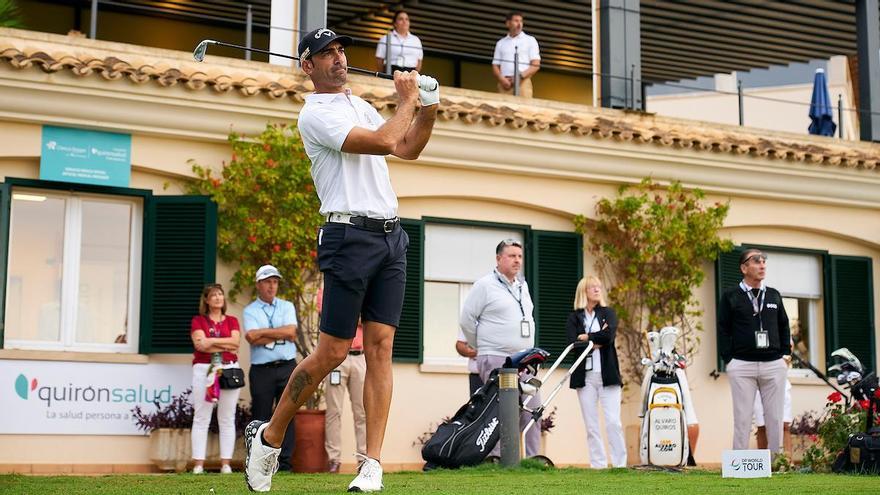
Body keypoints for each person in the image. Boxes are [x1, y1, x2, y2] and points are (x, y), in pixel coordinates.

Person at [243, 27, 438, 493]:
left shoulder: (360, 105)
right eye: (326, 53)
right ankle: (269, 438)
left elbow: (408, 147)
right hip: (347, 236)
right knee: (332, 352)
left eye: (340, 50)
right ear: (307, 66)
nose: (338, 58)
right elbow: (385, 140)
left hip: (390, 236)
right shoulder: (314, 114)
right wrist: (407, 99)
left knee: (381, 348)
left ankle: (371, 464)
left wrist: (428, 107)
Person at [459, 238, 541, 457]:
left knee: (532, 407)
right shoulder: (485, 285)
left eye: (520, 256)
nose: (517, 260)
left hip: (524, 360)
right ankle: (495, 458)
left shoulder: (522, 286)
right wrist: (480, 346)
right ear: (498, 259)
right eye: (512, 256)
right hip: (496, 357)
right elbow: (467, 320)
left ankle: (533, 459)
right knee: (498, 410)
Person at [718, 248, 791, 454]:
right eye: (756, 260)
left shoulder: (774, 295)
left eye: (764, 260)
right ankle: (739, 463)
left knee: (775, 417)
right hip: (742, 364)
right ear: (744, 268)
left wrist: (785, 355)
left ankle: (777, 462)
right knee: (742, 418)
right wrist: (729, 359)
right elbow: (723, 328)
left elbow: (784, 325)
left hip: (773, 364)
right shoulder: (731, 296)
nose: (762, 264)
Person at [565, 276, 626, 468]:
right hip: (585, 378)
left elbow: (609, 336)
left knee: (613, 422)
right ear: (584, 291)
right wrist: (595, 340)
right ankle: (598, 464)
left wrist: (587, 338)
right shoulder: (574, 317)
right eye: (593, 287)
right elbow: (573, 342)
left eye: (599, 286)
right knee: (591, 425)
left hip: (608, 375)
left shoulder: (608, 313)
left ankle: (619, 464)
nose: (597, 290)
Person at [243, 265, 299, 472]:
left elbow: (291, 332)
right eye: (267, 282)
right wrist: (279, 332)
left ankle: (285, 463)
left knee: (287, 414)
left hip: (287, 367)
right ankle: (260, 463)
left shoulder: (287, 306)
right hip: (262, 370)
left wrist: (263, 333)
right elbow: (252, 337)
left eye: (275, 282)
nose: (272, 286)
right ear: (258, 284)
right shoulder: (250, 310)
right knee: (261, 416)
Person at [189, 283, 242, 474]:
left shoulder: (232, 321)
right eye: (213, 295)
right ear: (206, 300)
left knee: (227, 417)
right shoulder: (198, 321)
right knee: (201, 416)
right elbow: (200, 345)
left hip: (229, 370)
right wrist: (225, 344)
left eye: (220, 294)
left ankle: (226, 464)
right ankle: (198, 465)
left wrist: (211, 341)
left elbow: (236, 342)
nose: (218, 297)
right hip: (204, 369)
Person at [318, 288, 367, 474]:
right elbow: (331, 317)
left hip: (360, 356)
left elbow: (369, 320)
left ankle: (363, 460)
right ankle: (334, 460)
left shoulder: (364, 289)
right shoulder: (326, 288)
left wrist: (348, 314)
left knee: (362, 411)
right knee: (334, 411)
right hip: (337, 358)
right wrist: (357, 316)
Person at [492, 11, 540, 98]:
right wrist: (501, 79)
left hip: (523, 82)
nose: (519, 24)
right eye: (516, 21)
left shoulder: (530, 40)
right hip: (504, 84)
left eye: (521, 21)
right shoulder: (501, 43)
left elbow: (536, 64)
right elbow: (495, 65)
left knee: (524, 106)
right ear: (508, 23)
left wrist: (519, 77)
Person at [754, 378, 793, 456]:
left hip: (781, 385)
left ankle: (788, 461)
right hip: (759, 386)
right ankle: (763, 460)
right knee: (762, 426)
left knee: (785, 426)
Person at [455, 329, 483, 396]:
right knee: (478, 401)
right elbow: (460, 345)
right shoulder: (472, 323)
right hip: (477, 376)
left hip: (504, 375)